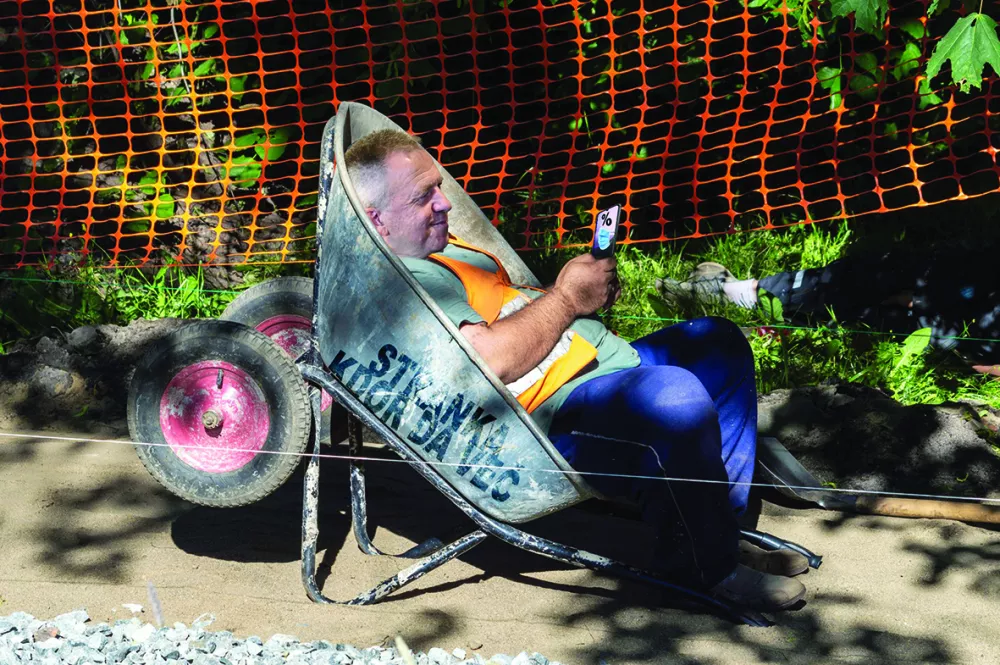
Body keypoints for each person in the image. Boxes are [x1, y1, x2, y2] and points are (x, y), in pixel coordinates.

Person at [344, 129, 809, 612]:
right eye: (424, 196)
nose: (444, 203)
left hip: (596, 372)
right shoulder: (402, 283)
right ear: (377, 220)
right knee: (673, 397)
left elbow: (511, 311)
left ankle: (716, 534)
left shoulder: (444, 248)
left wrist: (580, 292)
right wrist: (567, 299)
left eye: (438, 186)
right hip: (545, 422)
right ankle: (707, 568)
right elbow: (486, 360)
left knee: (717, 343)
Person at [658, 253, 1000, 375]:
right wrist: (924, 296)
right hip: (945, 291)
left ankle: (740, 330)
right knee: (866, 277)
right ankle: (734, 293)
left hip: (947, 332)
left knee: (860, 319)